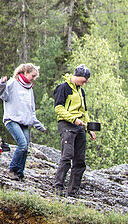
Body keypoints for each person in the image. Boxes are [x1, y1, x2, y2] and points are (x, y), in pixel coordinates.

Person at [0, 63, 46, 180]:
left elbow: (31, 109)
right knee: (22, 145)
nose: (33, 79)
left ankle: (20, 172)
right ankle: (12, 169)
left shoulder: (29, 89)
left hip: (25, 122)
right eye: (33, 76)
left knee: (25, 148)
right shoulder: (13, 83)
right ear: (25, 73)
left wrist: (38, 125)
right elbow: (1, 94)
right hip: (12, 120)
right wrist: (1, 83)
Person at [52, 65, 95, 197]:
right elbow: (58, 108)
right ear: (78, 75)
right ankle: (58, 187)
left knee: (80, 160)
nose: (86, 81)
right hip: (67, 125)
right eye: (85, 78)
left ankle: (73, 191)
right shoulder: (63, 88)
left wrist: (89, 128)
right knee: (67, 155)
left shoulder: (81, 91)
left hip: (80, 126)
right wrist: (73, 119)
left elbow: (84, 111)